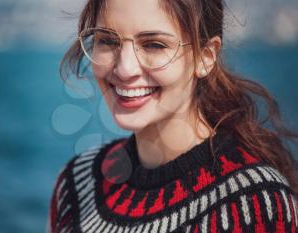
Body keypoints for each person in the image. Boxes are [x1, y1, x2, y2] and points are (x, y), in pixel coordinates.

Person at [47, 0, 298, 232]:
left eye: (154, 44)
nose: (124, 68)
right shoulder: (76, 185)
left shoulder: (255, 200)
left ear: (206, 56)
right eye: (107, 41)